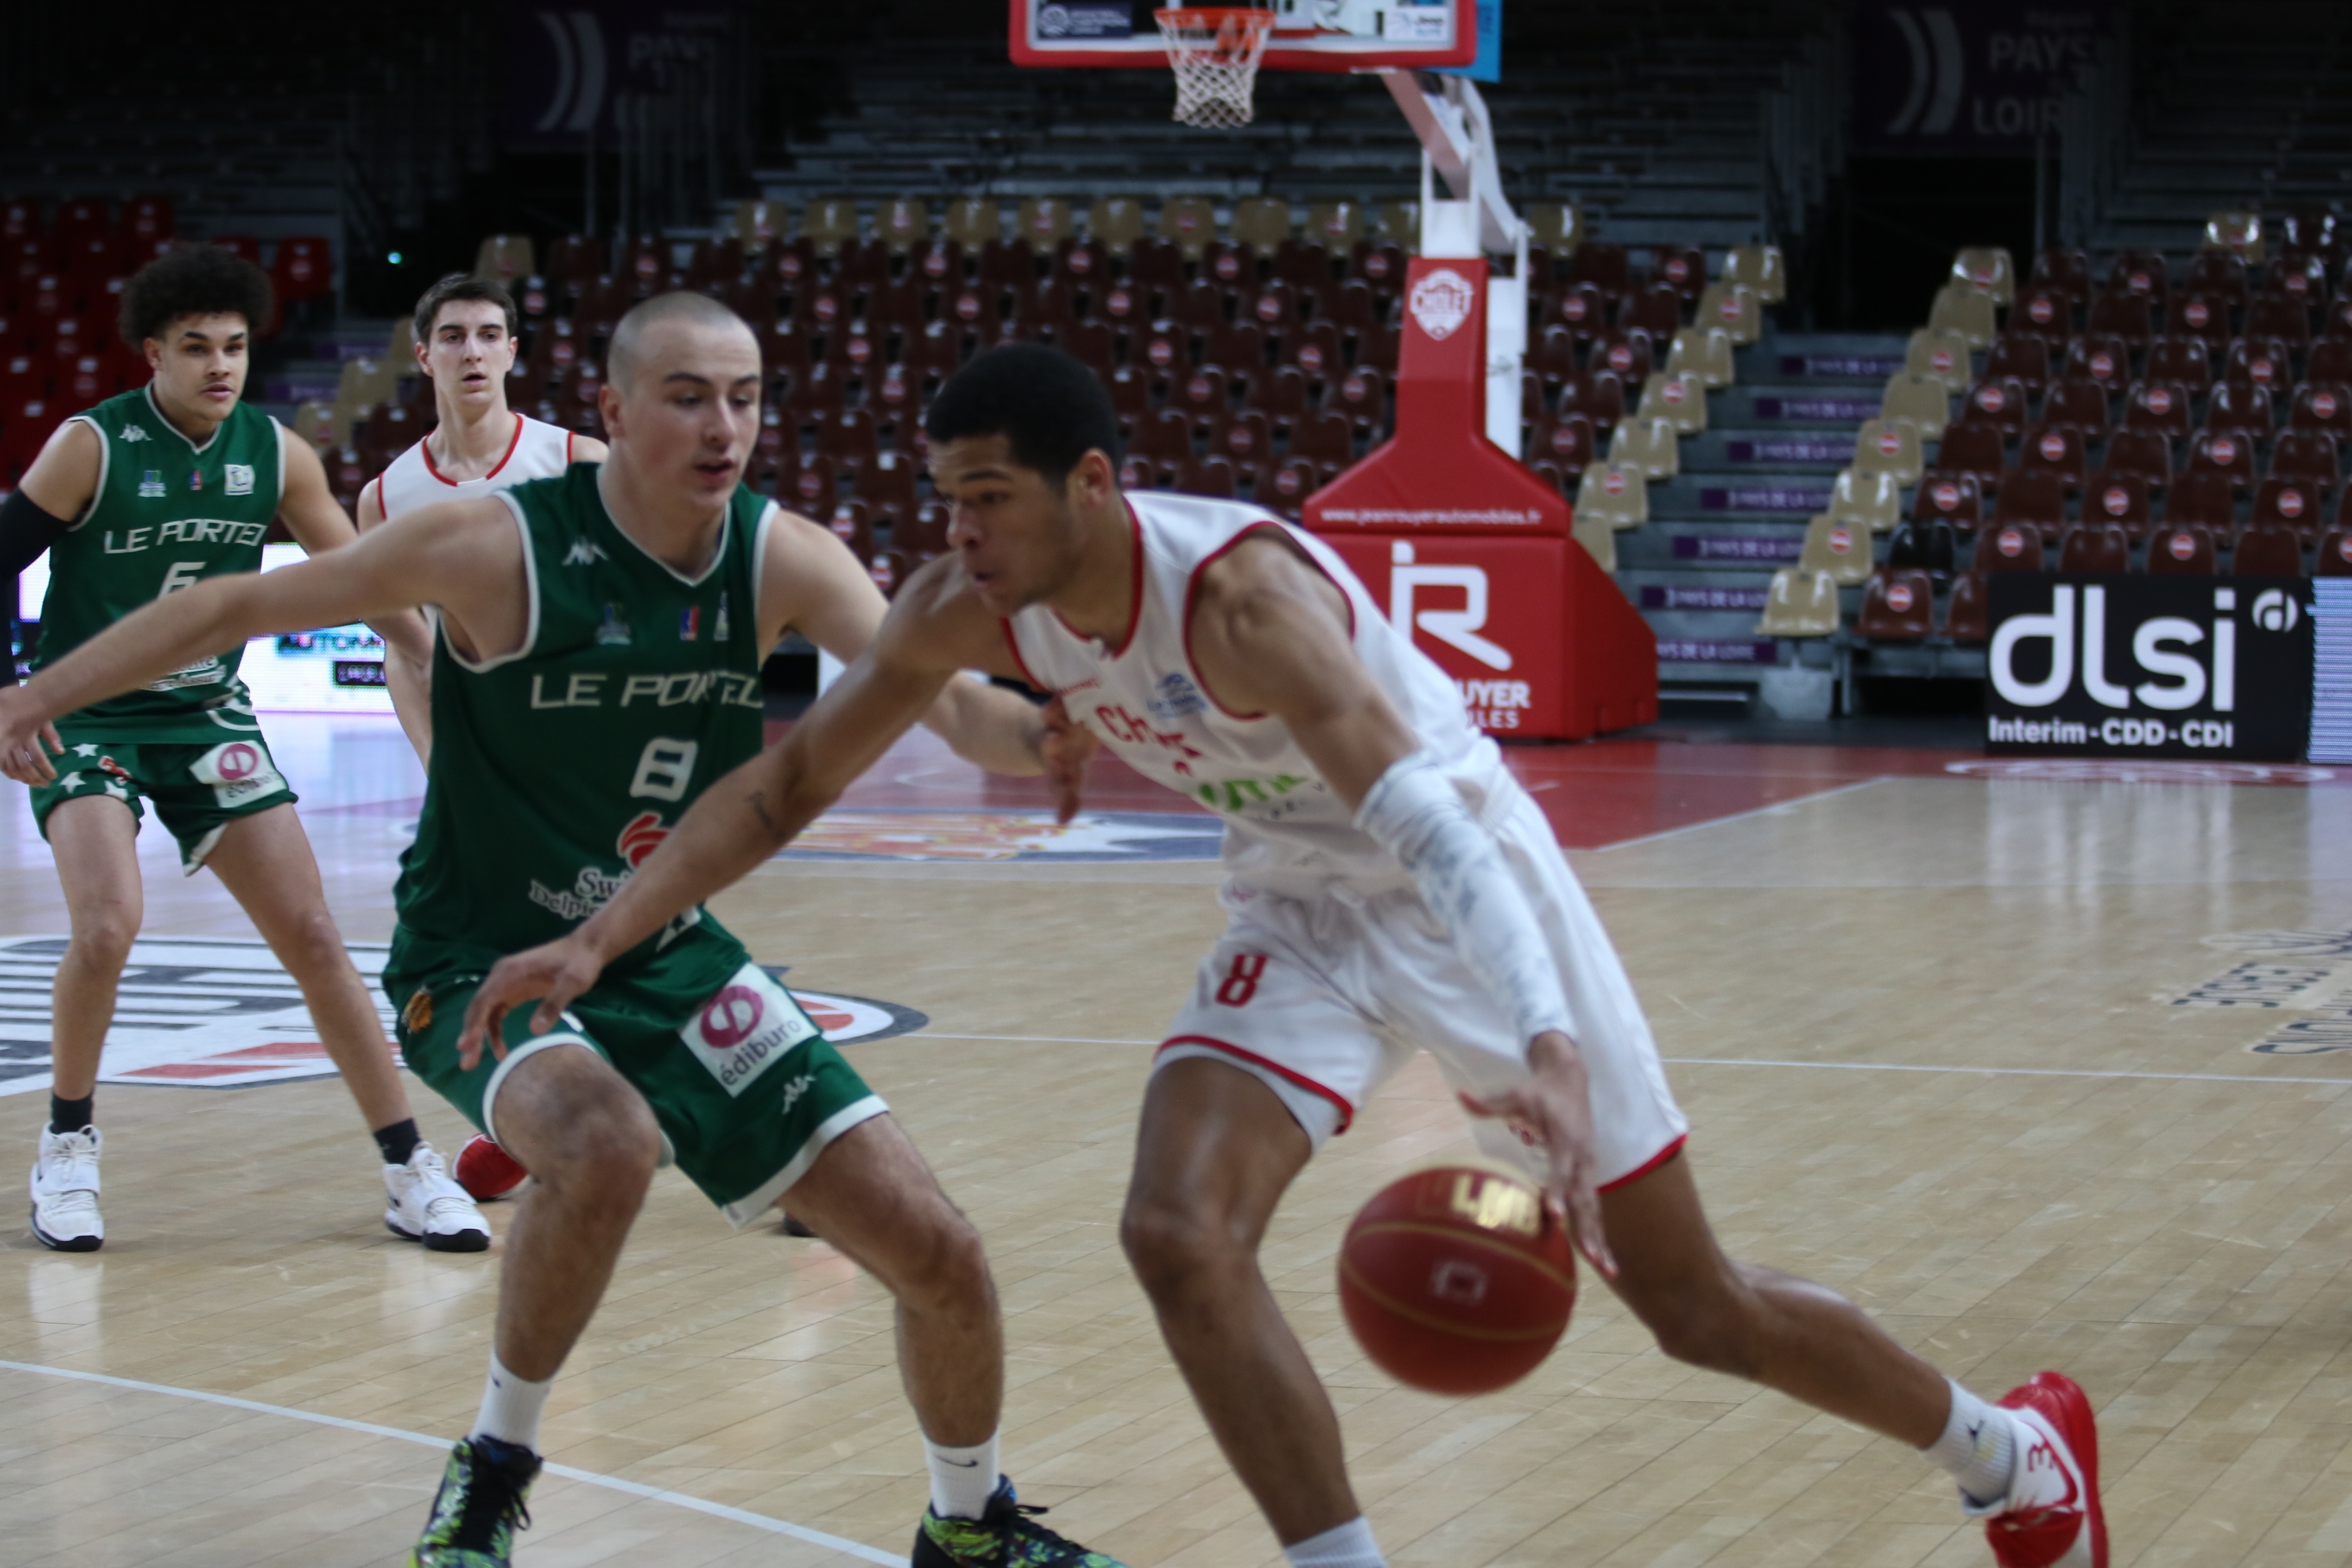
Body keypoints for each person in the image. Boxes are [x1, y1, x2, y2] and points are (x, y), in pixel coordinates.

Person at [441, 343, 2109, 1568]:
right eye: (946, 500)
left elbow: (1449, 830)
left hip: (1462, 885)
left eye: (994, 498)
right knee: (1175, 1228)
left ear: (1093, 484)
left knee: (1692, 1305)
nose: (963, 534)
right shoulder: (971, 600)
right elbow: (790, 778)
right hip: (1298, 903)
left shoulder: (1237, 597)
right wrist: (604, 931)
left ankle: (2016, 1452)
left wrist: (1543, 1035)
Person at [0, 296, 1127, 1568]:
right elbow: (220, 614)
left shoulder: (781, 558)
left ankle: (969, 1524)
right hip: (475, 954)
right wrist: (32, 691)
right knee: (603, 1141)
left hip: (661, 947)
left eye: (746, 397)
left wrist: (1038, 734)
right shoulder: (494, 545)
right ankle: (492, 1469)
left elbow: (943, 701)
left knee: (941, 1250)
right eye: (689, 395)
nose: (725, 426)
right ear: (610, 413)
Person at [0, 244, 489, 1254]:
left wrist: (441, 667)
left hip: (207, 714)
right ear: (153, 353)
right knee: (106, 925)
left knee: (312, 932)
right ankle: (68, 1145)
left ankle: (407, 1163)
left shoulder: (276, 454)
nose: (221, 367)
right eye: (197, 350)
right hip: (91, 717)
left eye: (234, 348)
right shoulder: (89, 447)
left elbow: (363, 584)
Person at [359, 273, 605, 763]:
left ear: (511, 353)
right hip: (469, 743)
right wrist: (439, 770)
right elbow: (403, 652)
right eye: (453, 337)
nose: (473, 352)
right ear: (424, 356)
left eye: (489, 336)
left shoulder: (579, 462)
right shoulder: (385, 497)